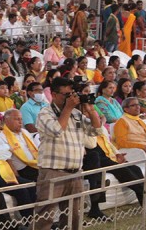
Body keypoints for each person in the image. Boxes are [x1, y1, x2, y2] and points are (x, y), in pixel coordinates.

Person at [34, 77, 102, 229]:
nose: (69, 98)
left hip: (75, 172)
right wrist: (68, 108)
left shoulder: (76, 114)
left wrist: (90, 110)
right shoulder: (45, 113)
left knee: (74, 216)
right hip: (53, 172)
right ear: (53, 94)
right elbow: (57, 130)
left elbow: (97, 130)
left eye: (71, 93)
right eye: (65, 94)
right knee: (45, 216)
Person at [0, 109, 39, 182]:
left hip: (35, 164)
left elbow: (35, 149)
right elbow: (7, 160)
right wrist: (17, 177)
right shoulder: (1, 136)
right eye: (17, 119)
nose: (20, 122)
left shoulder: (24, 132)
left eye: (21, 119)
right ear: (6, 120)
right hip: (22, 170)